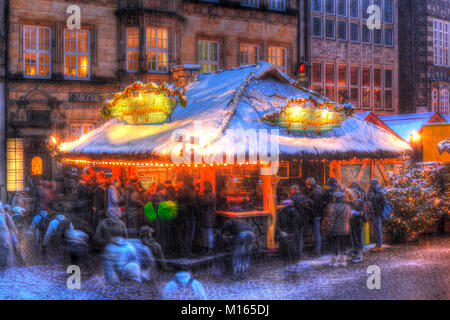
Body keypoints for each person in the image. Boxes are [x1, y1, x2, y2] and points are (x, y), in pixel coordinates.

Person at [323, 192, 351, 267]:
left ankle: (334, 261)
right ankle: (343, 261)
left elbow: (331, 219)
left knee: (335, 244)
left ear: (335, 198)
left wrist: (329, 228)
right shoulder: (347, 206)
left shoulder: (332, 206)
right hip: (345, 228)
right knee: (343, 244)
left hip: (335, 228)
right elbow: (349, 217)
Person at [347, 180, 369, 263]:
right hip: (353, 221)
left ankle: (359, 253)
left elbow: (362, 213)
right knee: (354, 237)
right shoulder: (352, 201)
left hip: (357, 221)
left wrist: (355, 213)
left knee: (358, 237)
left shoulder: (358, 202)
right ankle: (356, 251)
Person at [289, 185, 313, 258]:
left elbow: (288, 209)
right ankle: (300, 253)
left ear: (293, 190)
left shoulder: (291, 198)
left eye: (291, 190)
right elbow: (309, 205)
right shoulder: (303, 197)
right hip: (302, 219)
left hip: (294, 220)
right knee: (300, 237)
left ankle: (295, 253)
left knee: (294, 237)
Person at [176, 177, 196, 258]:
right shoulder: (190, 192)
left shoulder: (180, 190)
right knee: (189, 236)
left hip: (182, 217)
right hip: (190, 217)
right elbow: (194, 206)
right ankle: (188, 252)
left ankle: (182, 252)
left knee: (182, 235)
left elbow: (177, 201)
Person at [0, 204, 23, 275]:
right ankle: (19, 261)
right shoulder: (5, 214)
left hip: (5, 237)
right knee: (11, 249)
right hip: (5, 237)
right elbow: (12, 225)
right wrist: (16, 232)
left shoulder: (4, 215)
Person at [305, 177, 323, 256]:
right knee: (317, 232)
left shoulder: (315, 192)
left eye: (308, 185)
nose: (307, 186)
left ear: (311, 185)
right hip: (317, 214)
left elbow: (315, 205)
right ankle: (316, 249)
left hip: (315, 215)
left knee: (316, 233)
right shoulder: (318, 189)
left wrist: (308, 206)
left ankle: (317, 251)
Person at [367, 179, 386, 252]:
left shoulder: (378, 190)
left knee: (377, 229)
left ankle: (379, 246)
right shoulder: (376, 190)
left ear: (372, 184)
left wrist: (371, 192)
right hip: (375, 212)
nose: (369, 185)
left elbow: (372, 198)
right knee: (376, 228)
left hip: (377, 213)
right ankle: (378, 244)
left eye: (370, 183)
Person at [200, 181, 216, 255]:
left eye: (204, 186)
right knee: (207, 233)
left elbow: (205, 203)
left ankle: (209, 249)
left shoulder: (209, 195)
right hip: (208, 217)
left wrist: (201, 198)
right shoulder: (211, 194)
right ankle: (208, 248)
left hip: (208, 217)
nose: (203, 188)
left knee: (208, 233)